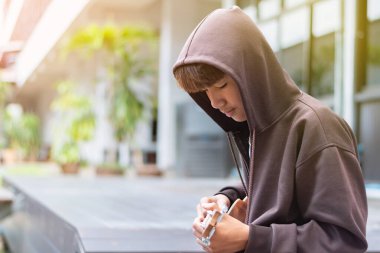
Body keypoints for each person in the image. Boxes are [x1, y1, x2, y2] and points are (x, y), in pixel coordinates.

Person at [172, 6, 367, 253]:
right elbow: (280, 187)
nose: (214, 102)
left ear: (251, 72)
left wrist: (249, 237)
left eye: (221, 85)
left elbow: (343, 240)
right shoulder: (257, 129)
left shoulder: (318, 128)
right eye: (205, 92)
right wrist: (227, 198)